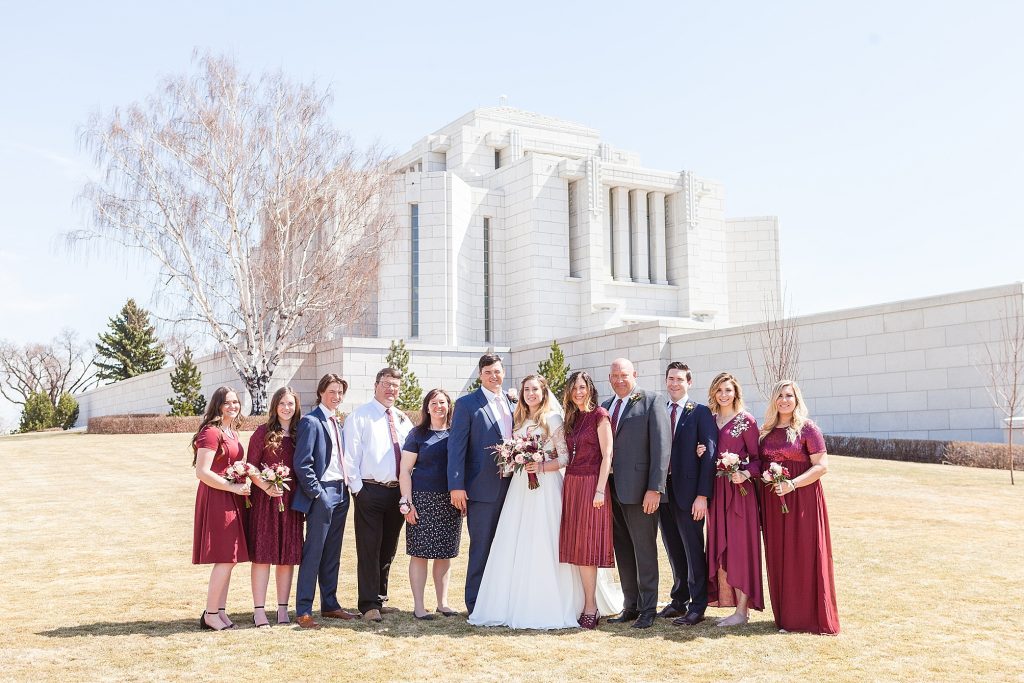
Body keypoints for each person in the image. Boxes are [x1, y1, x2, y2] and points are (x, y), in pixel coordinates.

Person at [469, 374, 583, 629]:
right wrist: (513, 458)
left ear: (544, 392)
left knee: (546, 540)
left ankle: (550, 600)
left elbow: (564, 458)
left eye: (535, 389)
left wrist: (540, 465)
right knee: (516, 540)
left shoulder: (553, 418)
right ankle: (511, 601)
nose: (531, 393)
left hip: (546, 486)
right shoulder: (518, 419)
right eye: (526, 390)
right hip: (520, 488)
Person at [759, 379, 840, 635]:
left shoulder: (807, 429)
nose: (784, 400)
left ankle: (807, 619)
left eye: (789, 395)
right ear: (774, 400)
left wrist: (793, 484)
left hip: (802, 499)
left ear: (797, 399)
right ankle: (786, 618)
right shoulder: (766, 432)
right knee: (779, 555)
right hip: (774, 502)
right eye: (780, 395)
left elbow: (822, 466)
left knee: (803, 554)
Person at [601, 358, 672, 630]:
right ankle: (629, 605)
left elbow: (662, 448)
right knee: (623, 550)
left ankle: (647, 609)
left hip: (642, 492)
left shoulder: (652, 401)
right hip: (613, 492)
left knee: (644, 550)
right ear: (609, 378)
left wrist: (655, 488)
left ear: (635, 375)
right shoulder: (606, 407)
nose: (619, 379)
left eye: (624, 375)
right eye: (615, 375)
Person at [447, 353, 515, 615]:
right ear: (480, 375)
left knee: (506, 545)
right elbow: (456, 448)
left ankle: (502, 599)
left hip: (513, 488)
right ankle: (475, 603)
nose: (493, 376)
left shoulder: (512, 403)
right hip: (481, 489)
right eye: (488, 372)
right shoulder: (466, 404)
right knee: (481, 547)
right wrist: (456, 485)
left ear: (503, 372)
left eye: (497, 371)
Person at [345, 367, 413, 622]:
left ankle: (381, 598)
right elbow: (350, 458)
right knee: (369, 548)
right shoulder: (360, 417)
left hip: (397, 494)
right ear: (376, 385)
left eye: (395, 385)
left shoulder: (403, 419)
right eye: (386, 384)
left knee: (388, 548)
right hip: (370, 490)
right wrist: (359, 491)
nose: (390, 389)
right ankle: (368, 604)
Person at [292, 374, 357, 630]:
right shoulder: (311, 421)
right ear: (321, 392)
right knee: (314, 552)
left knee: (333, 553)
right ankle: (304, 610)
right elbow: (302, 463)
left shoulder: (337, 422)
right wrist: (317, 493)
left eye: (340, 392)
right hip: (322, 493)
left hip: (342, 492)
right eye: (332, 391)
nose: (337, 397)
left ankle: (330, 604)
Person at [705, 372, 764, 626]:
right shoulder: (709, 419)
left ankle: (742, 611)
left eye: (728, 390)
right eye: (719, 390)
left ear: (736, 393)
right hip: (716, 492)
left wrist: (743, 472)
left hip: (740, 493)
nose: (723, 395)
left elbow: (760, 460)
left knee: (740, 548)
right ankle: (732, 606)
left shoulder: (746, 422)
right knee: (723, 546)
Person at [398, 388, 461, 620]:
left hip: (449, 500)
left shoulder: (457, 432)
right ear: (426, 407)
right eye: (433, 403)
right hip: (422, 500)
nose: (438, 406)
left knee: (444, 554)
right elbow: (404, 470)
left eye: (442, 402)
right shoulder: (417, 434)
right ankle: (419, 606)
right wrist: (407, 502)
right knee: (420, 554)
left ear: (449, 406)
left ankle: (443, 603)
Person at [559, 371, 614, 629]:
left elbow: (607, 455)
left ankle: (591, 605)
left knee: (588, 548)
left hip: (593, 484)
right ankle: (585, 601)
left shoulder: (599, 415)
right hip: (572, 483)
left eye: (582, 387)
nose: (578, 392)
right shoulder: (571, 419)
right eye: (574, 388)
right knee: (577, 547)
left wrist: (600, 490)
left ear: (590, 388)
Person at [664, 362, 718, 627]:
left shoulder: (700, 412)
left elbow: (708, 455)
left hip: (690, 493)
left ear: (689, 382)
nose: (674, 384)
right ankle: (678, 600)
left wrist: (702, 495)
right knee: (673, 548)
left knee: (693, 549)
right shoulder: (661, 411)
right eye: (671, 379)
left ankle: (698, 605)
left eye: (679, 379)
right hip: (664, 492)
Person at [246, 387, 304, 628]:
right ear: (274, 406)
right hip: (266, 502)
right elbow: (250, 466)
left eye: (290, 404)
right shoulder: (262, 433)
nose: (286, 408)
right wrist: (266, 485)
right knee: (262, 555)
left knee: (286, 557)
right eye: (282, 403)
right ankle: (259, 610)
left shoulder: (301, 434)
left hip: (291, 504)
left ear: (296, 406)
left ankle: (282, 609)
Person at [192, 386, 249, 631]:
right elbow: (202, 472)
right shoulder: (211, 432)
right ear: (217, 405)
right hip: (218, 498)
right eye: (227, 402)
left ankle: (219, 611)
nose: (233, 406)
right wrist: (232, 487)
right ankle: (211, 614)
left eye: (236, 402)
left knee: (231, 557)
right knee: (225, 556)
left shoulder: (231, 432)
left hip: (232, 496)